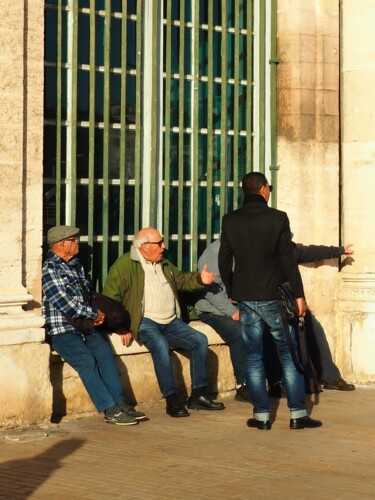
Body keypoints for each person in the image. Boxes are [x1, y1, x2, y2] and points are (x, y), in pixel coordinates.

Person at [219, 172, 322, 430]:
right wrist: (299, 295)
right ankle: (297, 414)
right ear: (264, 189)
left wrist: (233, 289)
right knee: (289, 355)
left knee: (253, 358)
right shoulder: (277, 218)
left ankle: (262, 416)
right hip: (275, 298)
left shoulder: (230, 220)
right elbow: (289, 261)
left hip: (246, 299)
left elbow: (223, 260)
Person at [102, 227, 225, 418]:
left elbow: (181, 280)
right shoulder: (125, 265)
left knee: (199, 340)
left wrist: (200, 279)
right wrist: (119, 326)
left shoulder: (163, 262)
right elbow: (110, 297)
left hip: (171, 321)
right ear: (144, 247)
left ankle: (198, 394)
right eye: (159, 243)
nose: (163, 246)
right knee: (160, 345)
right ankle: (172, 399)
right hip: (145, 321)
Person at [42, 225, 146, 426]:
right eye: (74, 240)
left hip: (85, 325)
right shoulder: (50, 269)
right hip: (62, 330)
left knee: (105, 354)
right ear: (61, 244)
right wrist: (93, 314)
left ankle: (120, 403)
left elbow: (87, 295)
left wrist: (97, 317)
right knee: (86, 361)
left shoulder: (76, 265)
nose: (77, 243)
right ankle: (109, 409)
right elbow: (65, 302)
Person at [267, 242, 355, 396]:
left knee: (315, 330)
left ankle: (330, 377)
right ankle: (305, 381)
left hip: (291, 303)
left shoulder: (287, 248)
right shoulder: (258, 249)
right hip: (268, 305)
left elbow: (309, 252)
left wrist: (339, 250)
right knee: (294, 338)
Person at [194, 239, 249, 402]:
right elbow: (212, 290)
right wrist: (232, 312)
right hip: (211, 309)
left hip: (237, 304)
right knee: (238, 333)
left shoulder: (244, 247)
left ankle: (275, 381)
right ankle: (243, 385)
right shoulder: (215, 252)